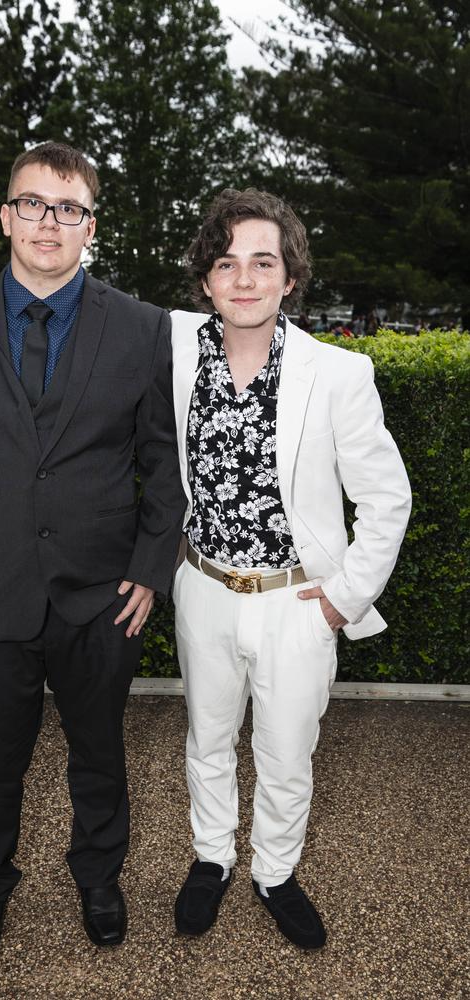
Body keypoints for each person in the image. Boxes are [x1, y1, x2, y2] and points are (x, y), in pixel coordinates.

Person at [0, 141, 186, 964]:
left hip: (102, 595)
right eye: (31, 203)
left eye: (67, 208)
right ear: (5, 216)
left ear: (90, 225)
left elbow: (163, 464)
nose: (47, 222)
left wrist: (150, 572)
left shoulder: (142, 326)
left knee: (99, 752)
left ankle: (100, 876)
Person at [169, 189, 411, 949]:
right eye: (227, 262)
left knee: (285, 752)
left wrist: (340, 600)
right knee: (206, 741)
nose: (244, 279)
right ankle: (211, 858)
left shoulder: (338, 372)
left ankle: (275, 872)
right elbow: (78, 303)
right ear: (206, 278)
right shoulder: (171, 346)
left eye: (262, 262)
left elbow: (387, 498)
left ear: (289, 277)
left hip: (296, 603)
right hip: (202, 588)